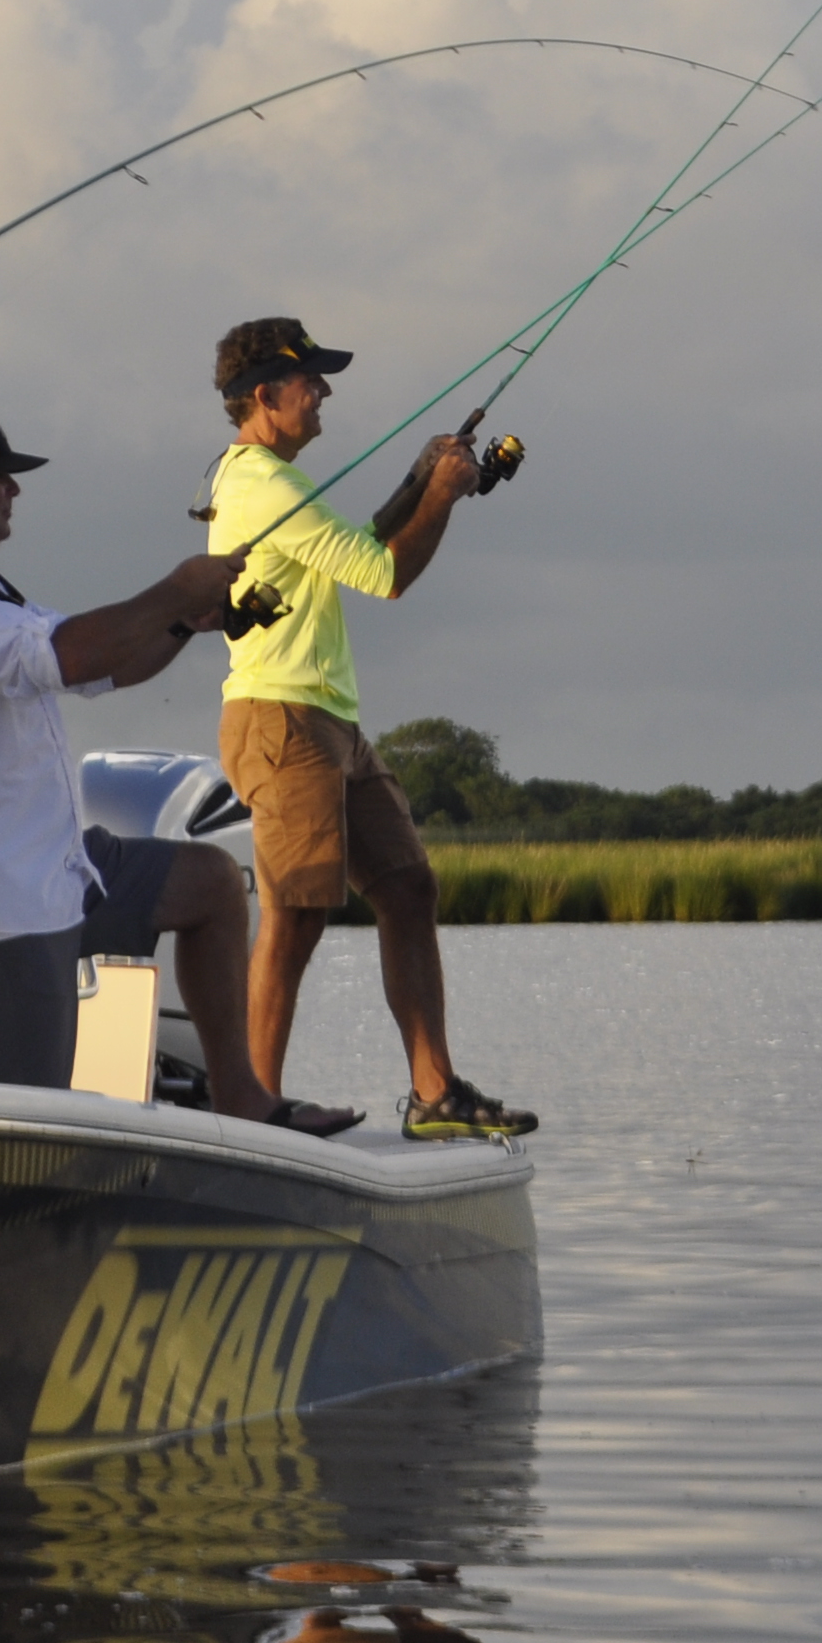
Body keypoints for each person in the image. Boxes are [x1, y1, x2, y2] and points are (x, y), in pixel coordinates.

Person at [0, 400, 310, 1121]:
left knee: (210, 883)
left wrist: (187, 620)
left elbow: (108, 665)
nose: (15, 491)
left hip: (54, 870)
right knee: (37, 1129)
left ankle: (241, 1101)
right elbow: (71, 655)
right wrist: (172, 589)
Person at [202, 317, 536, 1140]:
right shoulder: (261, 485)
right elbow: (384, 576)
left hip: (331, 720)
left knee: (408, 887)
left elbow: (357, 546)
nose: (323, 392)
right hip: (281, 718)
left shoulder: (280, 483)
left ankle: (434, 1094)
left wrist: (423, 478)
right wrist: (447, 497)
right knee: (298, 910)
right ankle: (252, 1113)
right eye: (308, 379)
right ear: (261, 396)